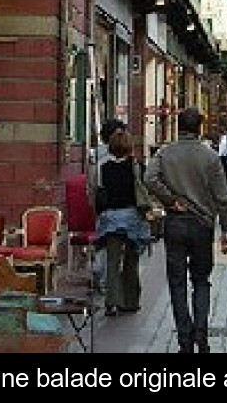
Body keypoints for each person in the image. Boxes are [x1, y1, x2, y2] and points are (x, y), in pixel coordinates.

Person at [144, 107, 227, 353]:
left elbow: (149, 178)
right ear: (199, 128)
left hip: (175, 223)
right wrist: (225, 228)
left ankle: (185, 338)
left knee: (177, 281)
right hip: (203, 224)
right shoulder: (210, 157)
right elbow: (222, 197)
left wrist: (170, 200)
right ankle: (201, 334)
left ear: (178, 126)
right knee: (201, 280)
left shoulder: (165, 153)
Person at [94, 128, 151, 316]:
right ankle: (130, 301)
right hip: (132, 218)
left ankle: (111, 301)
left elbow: (96, 192)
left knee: (112, 261)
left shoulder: (102, 167)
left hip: (110, 219)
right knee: (131, 260)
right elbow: (143, 190)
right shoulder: (136, 166)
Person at [88, 118, 127, 291]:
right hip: (118, 205)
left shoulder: (96, 154)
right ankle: (105, 278)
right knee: (115, 245)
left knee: (103, 240)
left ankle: (100, 272)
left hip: (102, 204)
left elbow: (92, 183)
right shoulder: (119, 156)